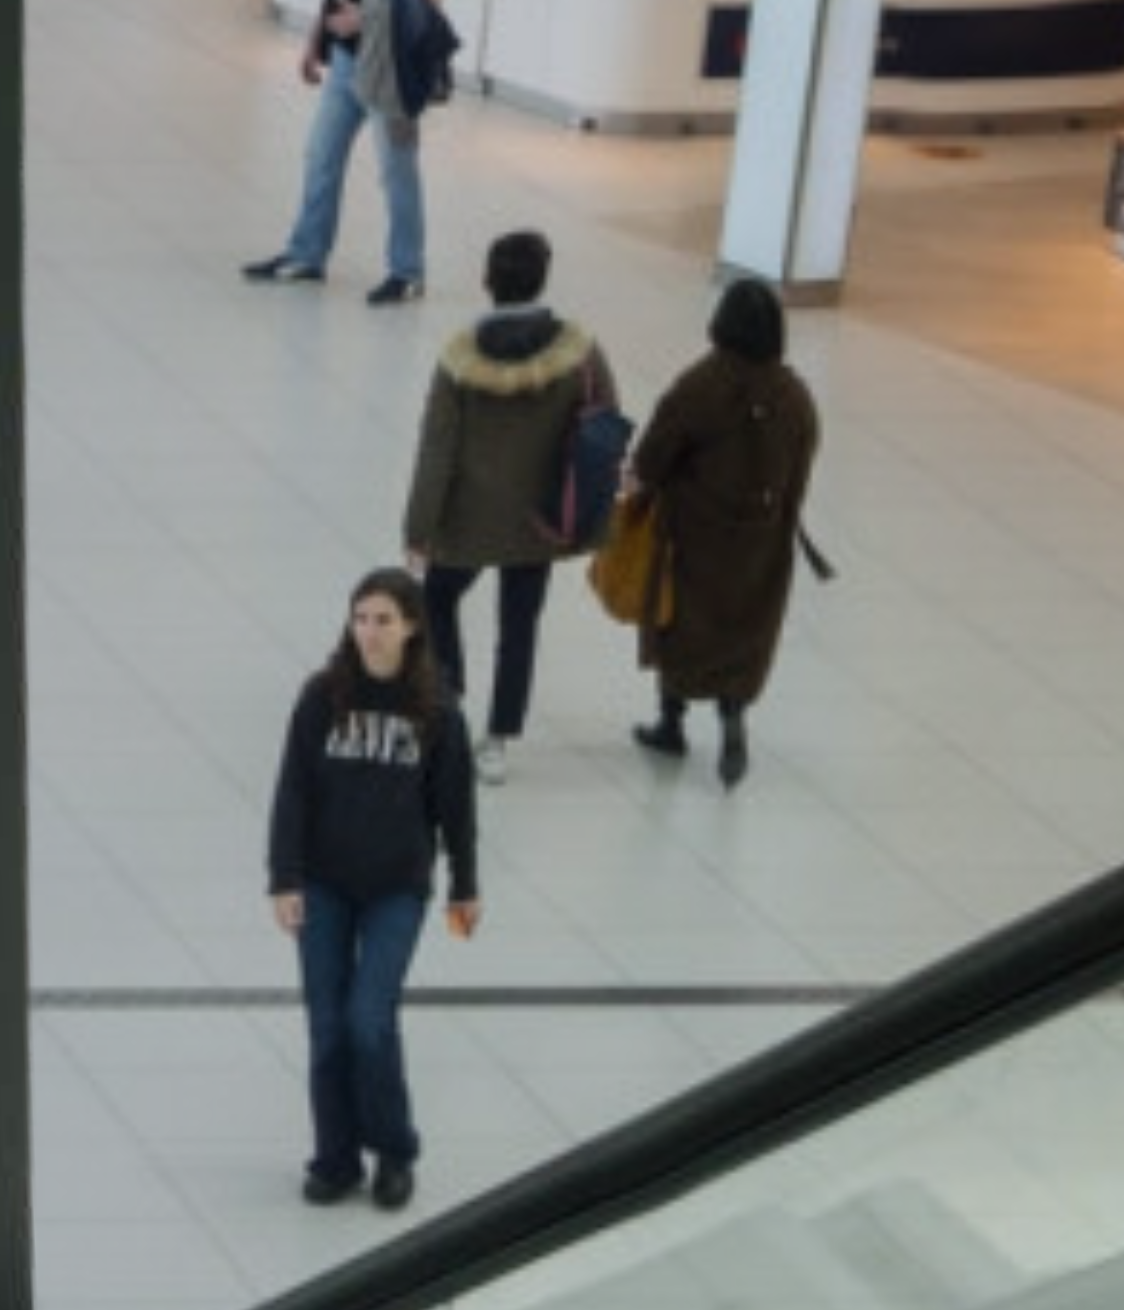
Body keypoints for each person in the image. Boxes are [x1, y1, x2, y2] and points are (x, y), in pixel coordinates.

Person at [266, 569, 485, 1214]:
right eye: (361, 618)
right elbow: (292, 793)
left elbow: (456, 808)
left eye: (384, 619)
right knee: (328, 1026)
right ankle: (336, 1159)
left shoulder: (437, 711)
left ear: (412, 626)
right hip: (325, 885)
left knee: (369, 1020)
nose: (370, 631)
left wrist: (465, 888)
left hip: (397, 889)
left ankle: (394, 1151)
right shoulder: (321, 697)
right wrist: (284, 878)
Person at [401, 230, 607, 768]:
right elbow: (603, 427)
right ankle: (498, 741)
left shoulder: (458, 361)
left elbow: (437, 448)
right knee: (520, 626)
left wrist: (419, 528)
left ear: (487, 281)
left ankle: (449, 698)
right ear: (544, 278)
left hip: (466, 519)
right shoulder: (580, 353)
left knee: (439, 598)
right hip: (539, 519)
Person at [625, 278, 823, 786]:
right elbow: (800, 470)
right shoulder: (794, 395)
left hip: (694, 534)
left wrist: (642, 487)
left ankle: (671, 723)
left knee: (678, 620)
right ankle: (733, 721)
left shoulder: (701, 384)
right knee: (744, 630)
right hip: (762, 542)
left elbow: (655, 453)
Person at [247, 0, 439, 302]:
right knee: (320, 157)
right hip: (345, 66)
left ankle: (408, 271)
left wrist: (368, 16)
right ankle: (306, 256)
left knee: (397, 171)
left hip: (388, 71)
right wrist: (315, 41)